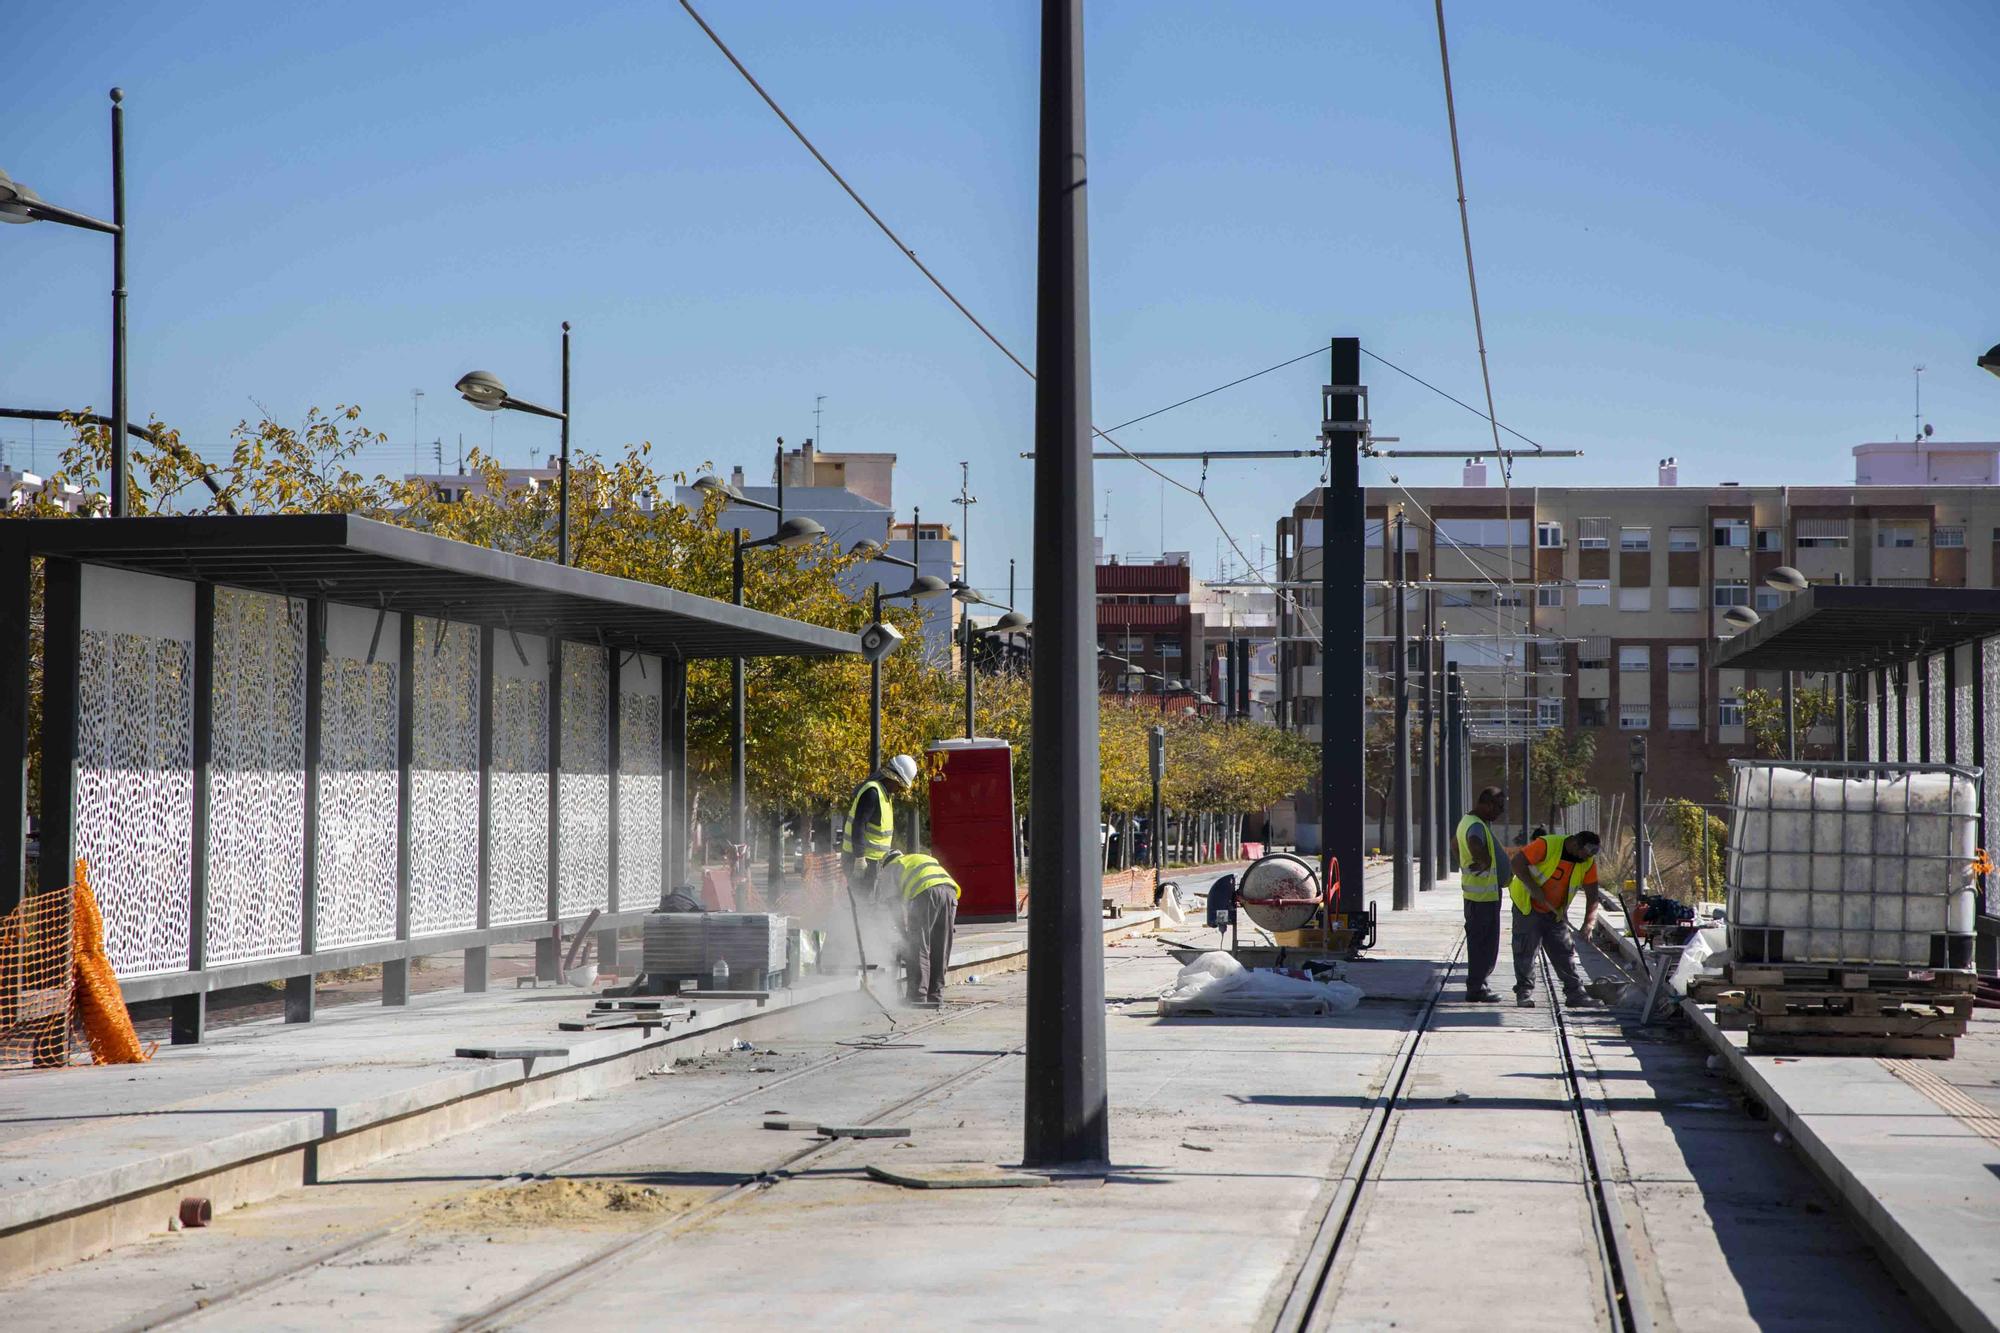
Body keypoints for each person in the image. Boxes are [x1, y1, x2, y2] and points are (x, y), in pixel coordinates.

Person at [1506, 828, 1604, 1009]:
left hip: (1555, 911)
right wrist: (1533, 887)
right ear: (1574, 843)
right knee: (1526, 950)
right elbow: (1517, 863)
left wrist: (1588, 923)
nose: (1585, 859)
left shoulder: (1587, 861)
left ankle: (1575, 994)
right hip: (1528, 905)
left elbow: (1592, 896)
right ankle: (1524, 993)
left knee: (1564, 951)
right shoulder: (1547, 844)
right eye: (1583, 854)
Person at [881, 849, 959, 1006]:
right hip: (950, 893)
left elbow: (892, 904)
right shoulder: (917, 859)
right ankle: (935, 995)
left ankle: (917, 997)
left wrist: (904, 935)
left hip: (926, 892)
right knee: (941, 947)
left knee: (918, 946)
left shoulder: (891, 867)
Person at [1455, 787, 1507, 1003]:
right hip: (1482, 898)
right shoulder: (1476, 826)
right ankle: (1477, 988)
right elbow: (1474, 844)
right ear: (1486, 804)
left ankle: (1478, 985)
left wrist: (1465, 863)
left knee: (1481, 943)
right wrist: (1483, 860)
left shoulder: (1468, 822)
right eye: (1499, 807)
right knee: (1483, 945)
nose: (1500, 812)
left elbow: (1453, 845)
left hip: (1481, 896)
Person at [842, 754, 918, 898]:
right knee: (861, 902)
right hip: (859, 859)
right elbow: (858, 825)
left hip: (871, 861)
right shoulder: (872, 793)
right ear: (893, 778)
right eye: (899, 785)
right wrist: (859, 858)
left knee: (869, 901)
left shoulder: (884, 795)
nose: (899, 789)